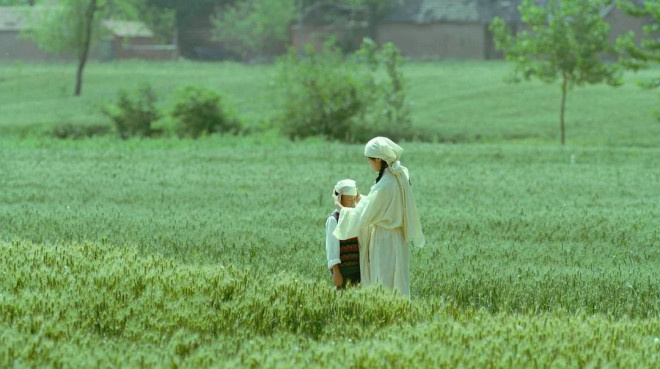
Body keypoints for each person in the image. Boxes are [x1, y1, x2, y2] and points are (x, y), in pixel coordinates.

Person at [333, 137, 424, 297]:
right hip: (396, 238)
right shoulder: (396, 178)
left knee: (384, 281)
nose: (369, 164)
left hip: (385, 240)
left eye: (370, 160)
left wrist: (341, 208)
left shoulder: (385, 184)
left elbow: (365, 215)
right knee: (396, 281)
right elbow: (380, 206)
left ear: (378, 159)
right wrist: (362, 199)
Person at [325, 179, 361, 289]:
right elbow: (332, 248)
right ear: (340, 199)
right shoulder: (334, 220)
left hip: (358, 269)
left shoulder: (355, 217)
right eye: (349, 199)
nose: (352, 203)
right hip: (343, 270)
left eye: (354, 199)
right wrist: (336, 272)